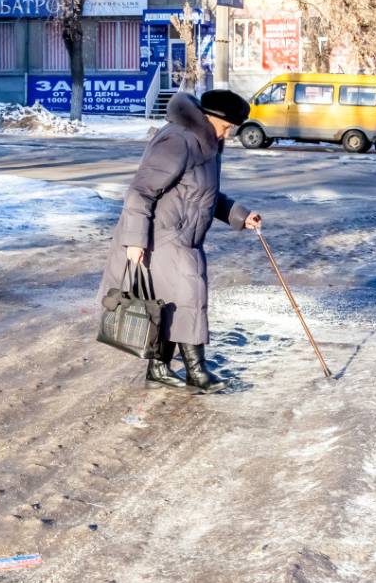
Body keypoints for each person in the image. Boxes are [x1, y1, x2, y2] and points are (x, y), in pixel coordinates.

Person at [98, 90, 262, 394]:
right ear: (210, 118)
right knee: (189, 296)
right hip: (158, 236)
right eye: (226, 127)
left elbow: (204, 195)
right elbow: (140, 192)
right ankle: (196, 371)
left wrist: (240, 215)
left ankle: (159, 367)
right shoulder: (178, 141)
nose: (228, 134)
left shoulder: (209, 147)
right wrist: (135, 241)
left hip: (184, 236)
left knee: (173, 304)